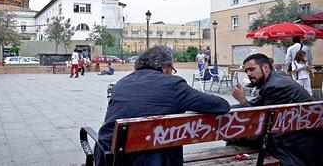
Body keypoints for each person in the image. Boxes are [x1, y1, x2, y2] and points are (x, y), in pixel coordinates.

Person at [94, 45, 230, 166]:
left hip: (107, 155)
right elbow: (221, 105)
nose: (172, 72)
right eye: (172, 68)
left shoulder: (121, 83)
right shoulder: (173, 85)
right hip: (151, 159)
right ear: (164, 67)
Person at [232, 53, 322, 166]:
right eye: (246, 71)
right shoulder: (277, 79)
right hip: (296, 136)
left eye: (251, 69)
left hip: (295, 143)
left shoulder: (275, 87)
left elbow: (258, 122)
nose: (248, 74)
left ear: (265, 67)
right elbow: (258, 103)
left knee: (236, 135)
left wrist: (242, 101)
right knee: (238, 135)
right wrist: (225, 108)